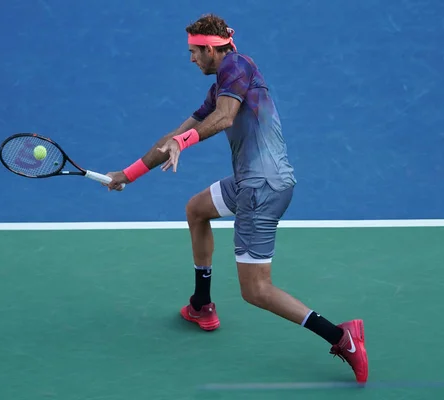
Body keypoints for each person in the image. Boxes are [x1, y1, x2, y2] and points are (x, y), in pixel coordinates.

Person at [104, 13, 369, 384]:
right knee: (197, 210)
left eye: (194, 52)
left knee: (256, 290)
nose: (191, 59)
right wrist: (126, 175)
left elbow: (225, 119)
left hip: (261, 189)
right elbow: (174, 136)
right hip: (250, 181)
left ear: (213, 49)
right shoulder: (222, 85)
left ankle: (342, 337)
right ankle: (201, 305)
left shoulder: (238, 66)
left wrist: (184, 142)